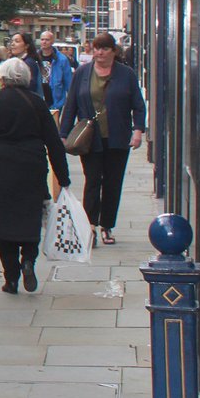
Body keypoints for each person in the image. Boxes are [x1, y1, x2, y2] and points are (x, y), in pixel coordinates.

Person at [0, 57, 71, 294]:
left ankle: (11, 278)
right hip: (31, 167)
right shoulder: (37, 103)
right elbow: (54, 142)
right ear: (27, 78)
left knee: (3, 224)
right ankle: (28, 261)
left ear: (1, 79)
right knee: (30, 218)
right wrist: (63, 177)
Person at [59, 32, 146, 245]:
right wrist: (63, 134)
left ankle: (107, 225)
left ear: (113, 51)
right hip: (90, 138)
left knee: (112, 183)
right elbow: (71, 105)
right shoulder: (82, 73)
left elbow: (138, 105)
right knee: (92, 181)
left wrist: (137, 131)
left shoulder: (126, 74)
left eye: (105, 48)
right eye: (97, 48)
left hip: (117, 138)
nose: (99, 52)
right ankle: (90, 225)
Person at [37, 31, 74, 113]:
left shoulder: (62, 59)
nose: (44, 42)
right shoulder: (35, 58)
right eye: (42, 39)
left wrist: (71, 101)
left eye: (47, 40)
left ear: (52, 41)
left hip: (56, 100)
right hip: (39, 99)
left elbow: (68, 82)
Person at [7, 32, 44, 98]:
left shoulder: (29, 63)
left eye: (17, 41)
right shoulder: (16, 61)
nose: (12, 44)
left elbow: (30, 87)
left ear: (26, 46)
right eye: (12, 41)